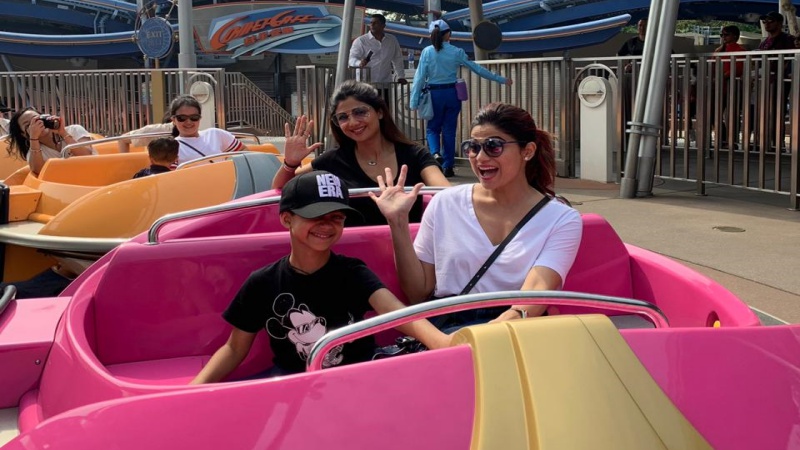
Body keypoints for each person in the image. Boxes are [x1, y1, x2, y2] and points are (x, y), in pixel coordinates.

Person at [190, 170, 451, 383]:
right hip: (294, 379)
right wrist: (194, 389)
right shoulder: (263, 282)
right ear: (287, 219)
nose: (327, 225)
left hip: (355, 376)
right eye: (315, 216)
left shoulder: (352, 272)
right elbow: (234, 348)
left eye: (336, 217)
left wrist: (445, 343)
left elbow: (398, 315)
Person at [371, 103, 583, 329]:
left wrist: (487, 336)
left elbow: (536, 292)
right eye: (473, 147)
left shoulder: (561, 218)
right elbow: (418, 293)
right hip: (449, 321)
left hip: (516, 326)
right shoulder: (445, 202)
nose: (480, 157)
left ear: (527, 151)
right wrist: (398, 222)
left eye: (494, 146)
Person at [272, 80, 449, 225]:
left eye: (360, 112)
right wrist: (290, 162)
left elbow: (446, 193)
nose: (353, 122)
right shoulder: (334, 159)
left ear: (379, 112)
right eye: (343, 117)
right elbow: (280, 189)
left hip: (410, 248)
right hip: (355, 249)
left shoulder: (414, 154)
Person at [409, 19, 512, 178]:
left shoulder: (427, 52)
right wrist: (501, 79)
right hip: (452, 94)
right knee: (449, 131)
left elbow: (419, 77)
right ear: (448, 34)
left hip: (434, 95)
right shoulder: (456, 51)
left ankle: (435, 153)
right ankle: (448, 167)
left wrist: (413, 101)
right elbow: (477, 69)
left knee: (432, 128)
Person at [5, 107, 96, 176]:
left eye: (37, 120)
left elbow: (87, 156)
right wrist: (34, 138)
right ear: (23, 134)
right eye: (29, 125)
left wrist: (63, 133)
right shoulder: (35, 152)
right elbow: (38, 172)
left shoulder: (74, 130)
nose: (36, 125)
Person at [167, 95, 246, 164]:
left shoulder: (215, 134)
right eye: (182, 118)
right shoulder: (171, 148)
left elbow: (244, 152)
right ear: (173, 120)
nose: (189, 122)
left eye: (194, 117)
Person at [348, 13, 407, 93]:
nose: (372, 25)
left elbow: (397, 59)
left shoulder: (392, 40)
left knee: (384, 101)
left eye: (375, 23)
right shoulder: (361, 41)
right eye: (371, 23)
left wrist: (401, 76)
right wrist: (359, 63)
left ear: (383, 26)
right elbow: (351, 59)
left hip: (384, 84)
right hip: (365, 84)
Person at [712, 26, 746, 147]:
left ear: (735, 36)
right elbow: (712, 66)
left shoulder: (740, 51)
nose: (723, 37)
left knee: (731, 115)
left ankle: (730, 140)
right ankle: (723, 138)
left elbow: (737, 69)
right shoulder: (719, 50)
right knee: (714, 113)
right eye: (722, 35)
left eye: (726, 35)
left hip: (732, 87)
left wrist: (722, 76)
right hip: (719, 86)